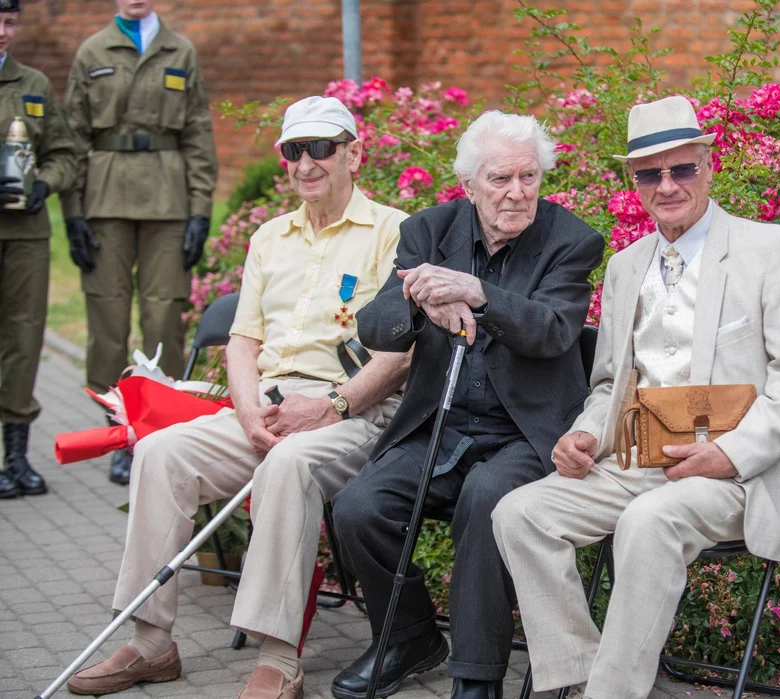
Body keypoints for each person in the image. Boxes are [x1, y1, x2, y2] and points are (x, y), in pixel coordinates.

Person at [66, 96, 410, 699]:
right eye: (292, 151)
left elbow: (401, 353)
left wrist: (330, 404)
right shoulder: (269, 237)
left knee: (289, 462)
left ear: (355, 154)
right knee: (161, 453)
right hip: (268, 405)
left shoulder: (395, 230)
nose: (305, 163)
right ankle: (150, 643)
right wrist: (248, 411)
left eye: (320, 148)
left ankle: (279, 660)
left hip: (353, 410)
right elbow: (243, 340)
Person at [491, 95, 780, 699]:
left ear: (708, 165)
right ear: (634, 182)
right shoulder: (625, 267)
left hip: (737, 473)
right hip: (635, 461)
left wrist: (731, 455)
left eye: (682, 169)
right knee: (519, 513)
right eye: (650, 173)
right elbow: (608, 384)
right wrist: (590, 433)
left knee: (648, 523)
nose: (667, 185)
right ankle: (586, 672)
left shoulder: (771, 249)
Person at [329, 110, 605, 699]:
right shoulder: (429, 232)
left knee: (486, 499)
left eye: (528, 177)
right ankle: (408, 637)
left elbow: (554, 330)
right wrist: (419, 300)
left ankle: (477, 678)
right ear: (469, 185)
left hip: (526, 436)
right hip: (441, 427)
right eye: (500, 179)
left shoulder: (571, 241)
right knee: (357, 507)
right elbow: (375, 328)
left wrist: (478, 293)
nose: (517, 192)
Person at [61, 0, 219, 486]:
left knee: (164, 317)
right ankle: (116, 434)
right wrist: (73, 216)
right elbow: (71, 137)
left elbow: (197, 133)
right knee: (107, 319)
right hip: (104, 200)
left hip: (169, 200)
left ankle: (162, 429)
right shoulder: (93, 51)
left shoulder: (180, 51)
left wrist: (200, 211)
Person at [0, 0, 76, 499]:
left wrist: (42, 185)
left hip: (24, 235)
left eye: (8, 21)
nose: (2, 31)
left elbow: (64, 154)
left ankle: (15, 458)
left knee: (23, 343)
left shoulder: (33, 85)